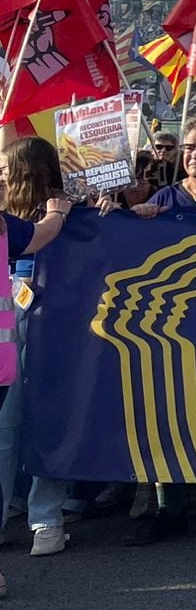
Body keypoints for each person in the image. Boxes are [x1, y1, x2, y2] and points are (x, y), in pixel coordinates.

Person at [0, 139, 78, 576]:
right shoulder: (10, 221)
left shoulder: (75, 216)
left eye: (7, 169)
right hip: (8, 338)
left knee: (49, 419)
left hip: (57, 330)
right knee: (4, 430)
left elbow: (44, 235)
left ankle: (46, 517)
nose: (3, 178)